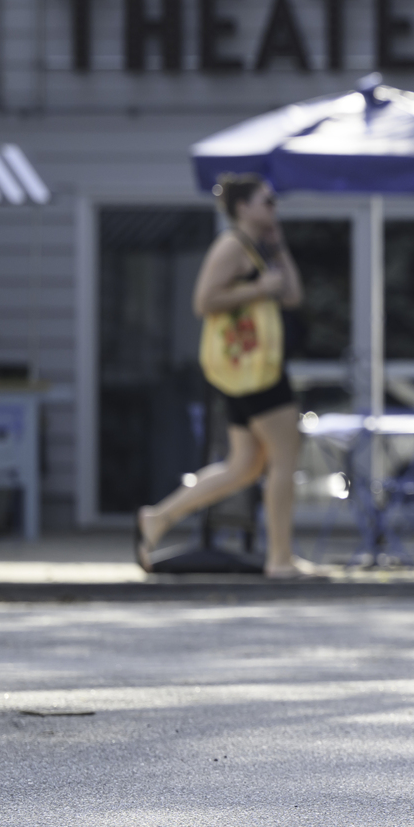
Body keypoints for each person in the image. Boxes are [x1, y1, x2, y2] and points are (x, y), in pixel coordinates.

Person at [136, 174, 317, 579]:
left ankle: (159, 517)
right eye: (267, 201)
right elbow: (203, 301)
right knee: (284, 458)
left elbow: (292, 295)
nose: (273, 208)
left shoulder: (257, 250)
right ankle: (281, 558)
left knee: (244, 466)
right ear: (242, 207)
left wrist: (279, 248)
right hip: (254, 370)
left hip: (250, 370)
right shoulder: (231, 246)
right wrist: (257, 290)